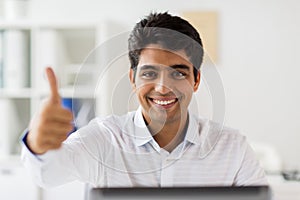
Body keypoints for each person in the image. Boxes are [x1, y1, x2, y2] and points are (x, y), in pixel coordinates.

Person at [21, 12, 267, 188]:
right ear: (132, 78)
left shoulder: (232, 148)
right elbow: (48, 174)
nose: (162, 87)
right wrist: (38, 144)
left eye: (178, 73)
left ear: (196, 80)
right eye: (149, 73)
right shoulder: (105, 137)